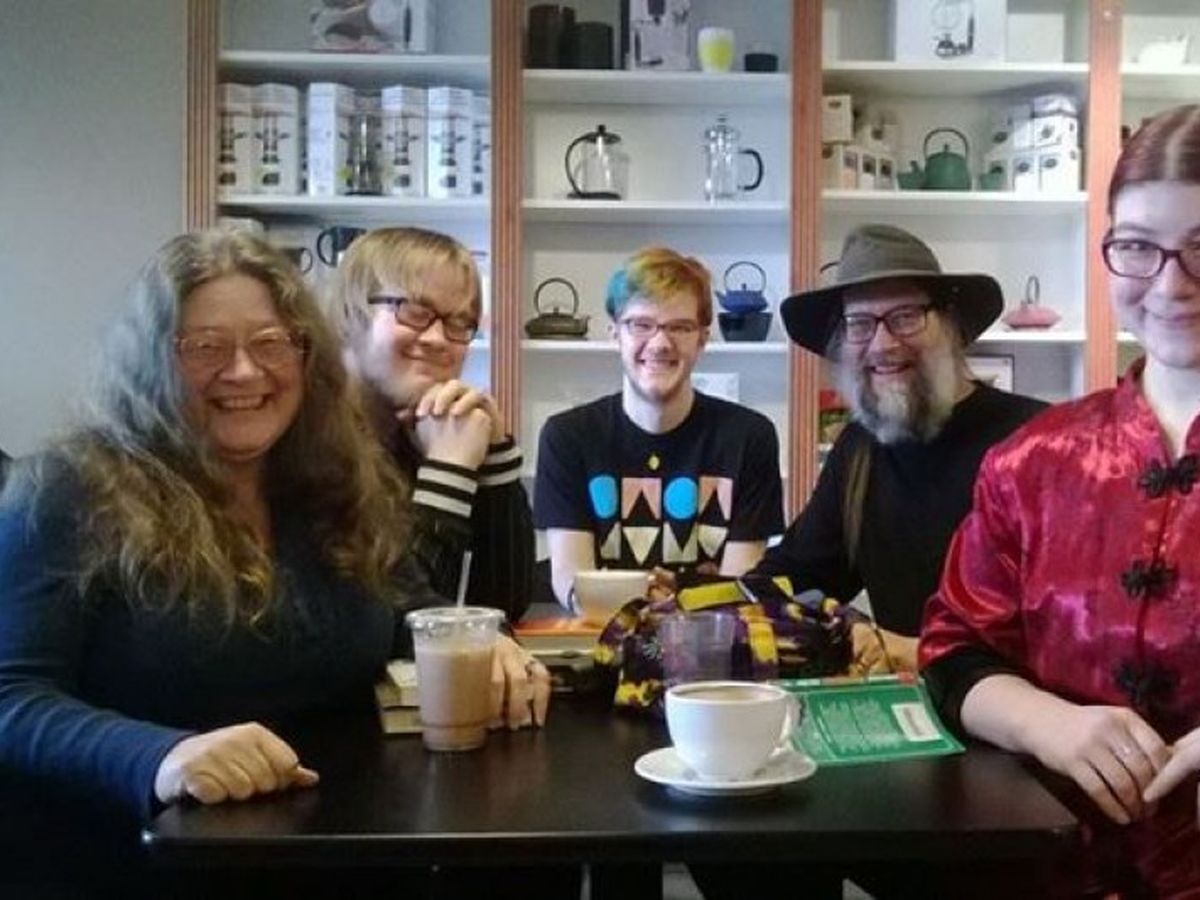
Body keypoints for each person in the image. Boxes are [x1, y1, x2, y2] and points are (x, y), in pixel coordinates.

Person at [0, 230, 549, 898]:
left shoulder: (336, 481)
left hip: (335, 853)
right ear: (153, 360)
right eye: (205, 347)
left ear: (306, 356)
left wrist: (481, 640)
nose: (244, 372)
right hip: (137, 865)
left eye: (270, 344)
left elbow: (407, 605)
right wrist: (160, 755)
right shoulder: (66, 489)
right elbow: (12, 698)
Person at [921, 104, 1200, 897]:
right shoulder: (1034, 459)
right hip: (1051, 872)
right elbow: (955, 652)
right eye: (1137, 247)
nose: (1171, 284)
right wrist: (1049, 723)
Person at [751, 224, 1045, 673]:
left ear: (950, 325)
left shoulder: (1036, 440)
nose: (883, 344)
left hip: (1023, 711)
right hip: (902, 709)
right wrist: (691, 602)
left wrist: (921, 652)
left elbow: (1076, 626)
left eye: (906, 316)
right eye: (859, 324)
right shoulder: (860, 451)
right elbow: (793, 578)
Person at [534, 246, 784, 609]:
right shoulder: (567, 437)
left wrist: (661, 601)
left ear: (702, 339)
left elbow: (739, 592)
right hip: (599, 635)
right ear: (614, 334)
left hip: (709, 640)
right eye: (641, 325)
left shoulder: (750, 438)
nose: (660, 343)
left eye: (680, 327)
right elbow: (571, 581)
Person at [336, 226, 534, 623]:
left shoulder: (427, 432)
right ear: (352, 313)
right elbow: (388, 625)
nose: (438, 339)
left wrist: (495, 456)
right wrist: (448, 472)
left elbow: (503, 604)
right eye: (415, 312)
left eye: (459, 322)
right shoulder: (307, 445)